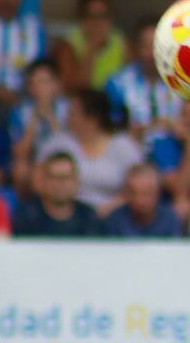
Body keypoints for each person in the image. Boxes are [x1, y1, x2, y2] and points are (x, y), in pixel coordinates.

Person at [37, 89, 144, 214]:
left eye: (73, 113)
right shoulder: (57, 143)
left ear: (93, 119)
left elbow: (139, 186)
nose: (67, 117)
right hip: (68, 216)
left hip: (116, 216)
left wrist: (107, 209)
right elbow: (38, 181)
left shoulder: (124, 146)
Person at [8, 58, 70, 192]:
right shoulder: (20, 111)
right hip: (35, 160)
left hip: (65, 157)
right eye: (34, 84)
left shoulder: (68, 108)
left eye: (44, 82)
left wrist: (51, 118)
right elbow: (20, 153)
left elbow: (69, 144)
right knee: (20, 168)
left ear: (56, 84)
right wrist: (34, 119)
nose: (39, 89)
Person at [51, 0, 127, 91]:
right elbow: (73, 87)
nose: (97, 22)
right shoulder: (67, 46)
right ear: (82, 19)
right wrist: (91, 50)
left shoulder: (122, 44)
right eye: (91, 16)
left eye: (102, 16)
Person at [12, 151, 101, 238]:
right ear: (44, 181)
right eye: (54, 177)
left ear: (76, 181)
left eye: (65, 178)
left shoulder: (88, 218)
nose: (60, 184)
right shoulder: (26, 218)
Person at [100, 162, 183, 239]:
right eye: (134, 193)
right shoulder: (115, 221)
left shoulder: (170, 220)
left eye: (146, 194)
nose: (140, 200)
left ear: (158, 193)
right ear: (126, 194)